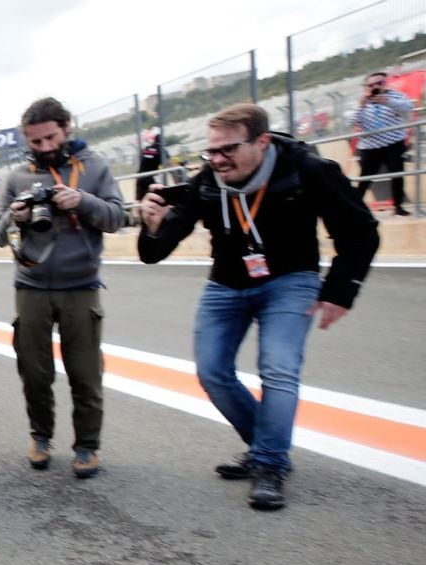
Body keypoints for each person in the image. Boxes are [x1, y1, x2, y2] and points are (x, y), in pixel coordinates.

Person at [138, 103, 379, 510]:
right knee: (212, 372)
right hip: (226, 284)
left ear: (262, 141)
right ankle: (267, 447)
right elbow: (155, 252)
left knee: (278, 368)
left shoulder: (306, 170)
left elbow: (361, 231)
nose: (216, 160)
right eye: (210, 152)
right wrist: (151, 225)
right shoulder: (208, 180)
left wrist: (341, 291)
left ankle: (269, 463)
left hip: (290, 280)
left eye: (227, 150)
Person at [0, 97, 125, 478]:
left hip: (81, 287)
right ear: (26, 141)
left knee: (85, 374)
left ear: (67, 128)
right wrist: (16, 217)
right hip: (30, 286)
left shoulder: (95, 167)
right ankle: (41, 437)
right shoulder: (16, 177)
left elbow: (117, 217)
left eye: (51, 137)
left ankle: (87, 446)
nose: (46, 147)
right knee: (34, 373)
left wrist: (82, 200)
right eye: (36, 142)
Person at [349, 71, 414, 216]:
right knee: (364, 179)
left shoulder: (395, 96)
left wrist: (388, 101)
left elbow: (408, 108)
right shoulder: (362, 102)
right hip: (369, 147)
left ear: (386, 83)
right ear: (366, 87)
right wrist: (362, 106)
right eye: (371, 85)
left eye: (379, 83)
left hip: (393, 144)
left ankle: (398, 207)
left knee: (397, 175)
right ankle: (354, 209)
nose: (375, 87)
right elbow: (350, 122)